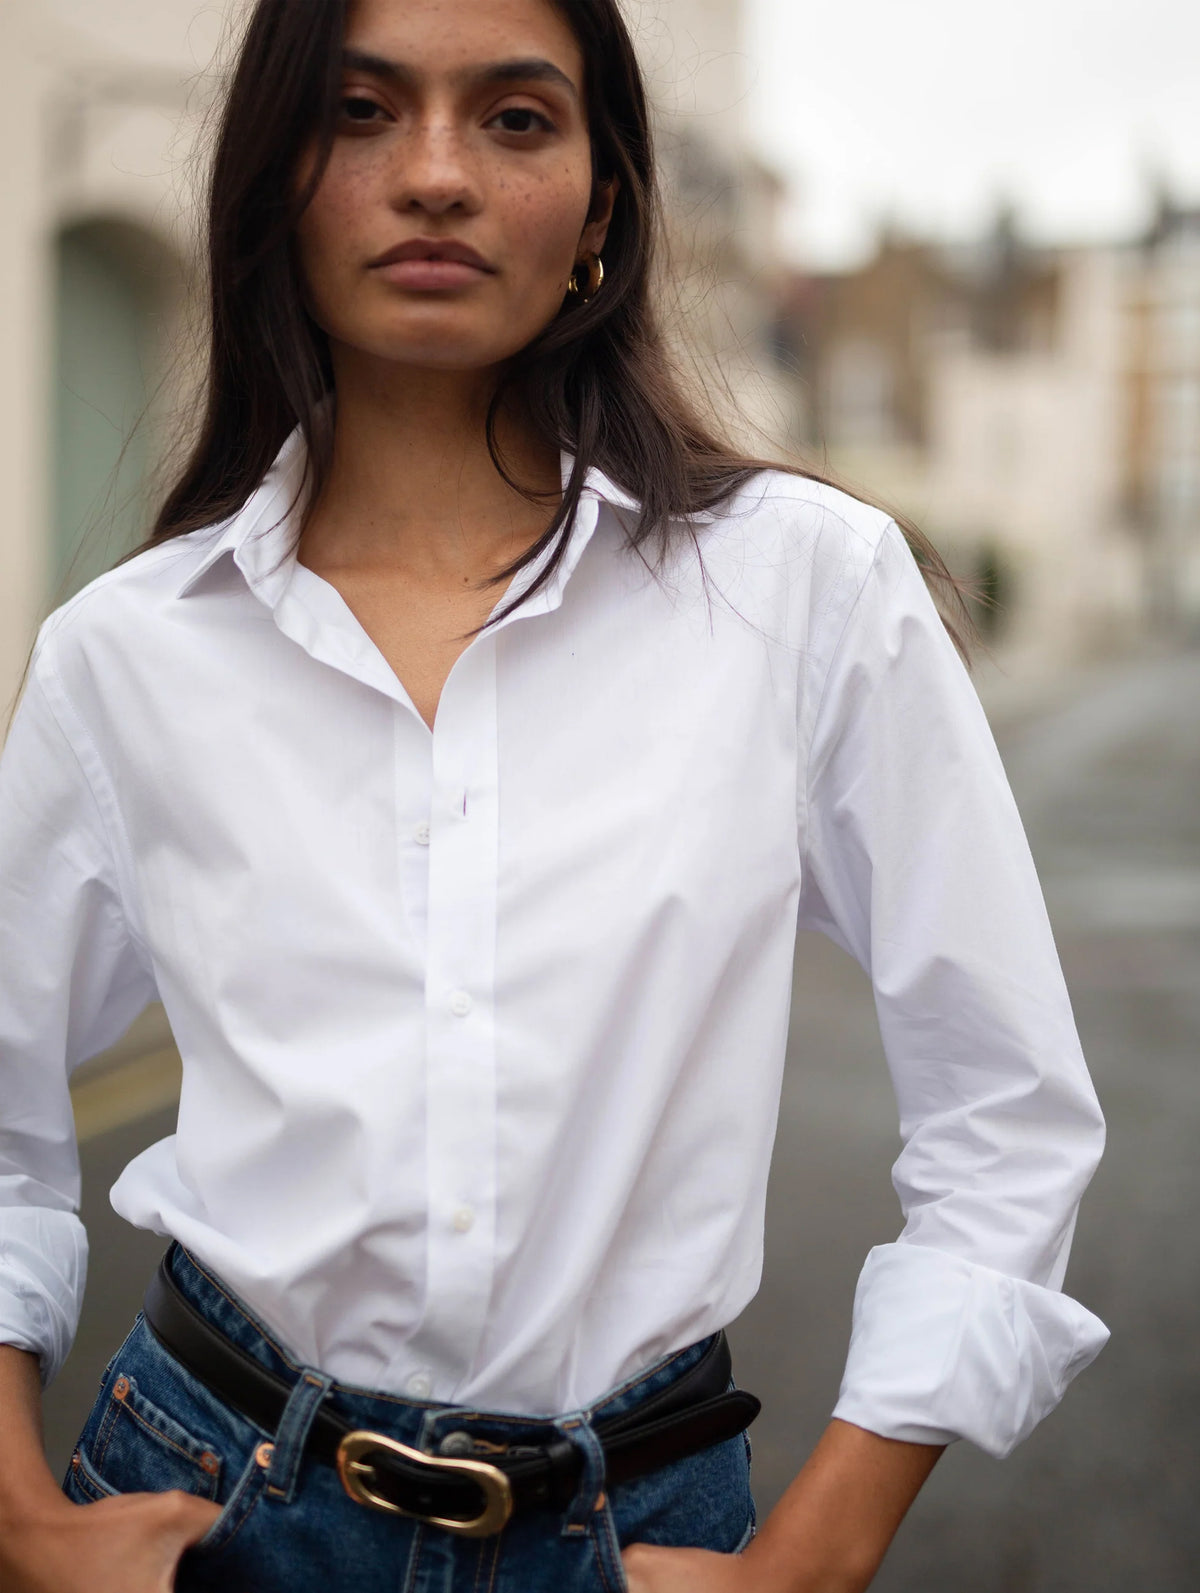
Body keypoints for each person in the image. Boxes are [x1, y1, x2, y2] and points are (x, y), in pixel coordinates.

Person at [0, 0, 1109, 1589]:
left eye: (515, 119)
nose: (436, 173)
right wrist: (21, 1519)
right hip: (211, 1499)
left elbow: (1007, 1113)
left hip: (643, 1527)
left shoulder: (804, 592)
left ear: (601, 203)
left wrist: (816, 1554)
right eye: (364, 112)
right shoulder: (129, 655)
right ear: (273, 182)